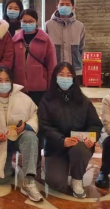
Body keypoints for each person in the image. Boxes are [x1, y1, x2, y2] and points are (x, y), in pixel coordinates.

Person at [39, 62, 102, 199]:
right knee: (56, 183)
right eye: (61, 75)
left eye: (69, 75)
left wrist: (91, 137)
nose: (65, 78)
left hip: (79, 145)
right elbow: (44, 126)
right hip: (56, 146)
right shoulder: (47, 100)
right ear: (55, 77)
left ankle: (77, 179)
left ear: (74, 78)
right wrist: (62, 140)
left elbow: (96, 124)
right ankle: (62, 164)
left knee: (79, 150)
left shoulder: (83, 101)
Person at [0, 66, 43, 202]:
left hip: (19, 138)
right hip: (0, 143)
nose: (3, 84)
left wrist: (26, 125)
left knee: (30, 137)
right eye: (0, 80)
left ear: (12, 81)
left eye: (7, 80)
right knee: (1, 179)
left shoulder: (23, 98)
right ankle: (4, 167)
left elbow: (35, 114)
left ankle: (29, 181)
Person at [13, 9, 57, 107]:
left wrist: (51, 87)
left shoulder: (45, 40)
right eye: (24, 21)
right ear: (20, 22)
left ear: (36, 21)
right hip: (19, 88)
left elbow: (52, 66)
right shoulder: (15, 40)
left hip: (40, 89)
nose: (27, 24)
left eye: (31, 21)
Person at [45, 0, 86, 77]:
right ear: (57, 7)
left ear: (73, 7)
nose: (64, 7)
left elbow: (81, 48)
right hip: (55, 69)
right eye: (61, 4)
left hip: (74, 70)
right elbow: (45, 48)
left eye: (67, 5)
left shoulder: (80, 26)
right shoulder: (48, 25)